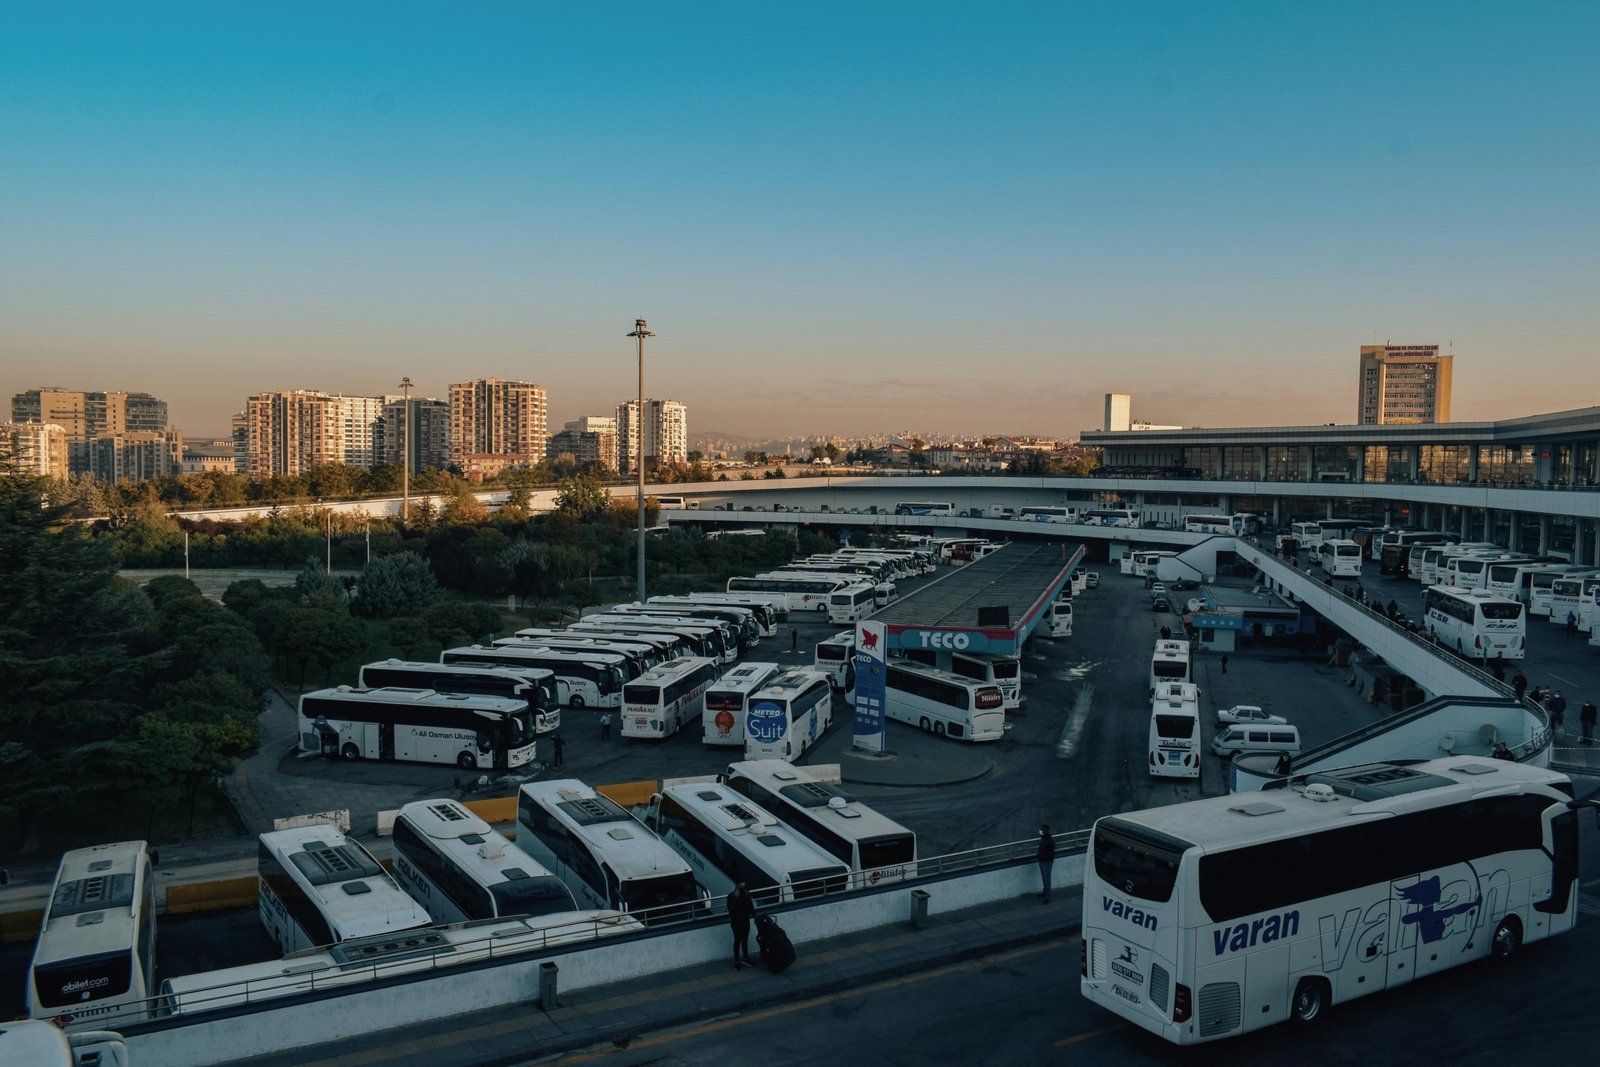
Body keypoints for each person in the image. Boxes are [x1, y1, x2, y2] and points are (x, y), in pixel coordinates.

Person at [727, 882, 755, 969]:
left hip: (745, 921)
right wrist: (736, 898)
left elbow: (750, 906)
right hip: (736, 922)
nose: (743, 885)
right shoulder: (732, 896)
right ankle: (737, 960)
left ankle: (745, 958)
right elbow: (730, 909)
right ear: (737, 885)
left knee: (744, 940)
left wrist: (754, 915)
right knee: (737, 941)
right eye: (741, 884)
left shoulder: (746, 894)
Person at [1037, 824, 1056, 905]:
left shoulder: (1049, 841)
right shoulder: (1044, 839)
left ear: (1045, 831)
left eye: (1042, 830)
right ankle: (1045, 892)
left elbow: (1050, 853)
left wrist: (1043, 859)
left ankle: (1047, 896)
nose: (1040, 831)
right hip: (1042, 861)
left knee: (1047, 878)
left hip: (1046, 862)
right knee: (1044, 878)